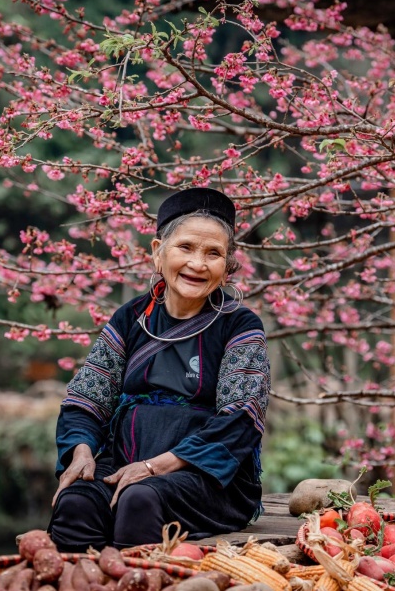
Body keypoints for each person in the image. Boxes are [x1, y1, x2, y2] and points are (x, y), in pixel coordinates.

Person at [48, 187, 270, 551]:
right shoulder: (130, 318)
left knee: (139, 500)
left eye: (213, 253)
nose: (198, 264)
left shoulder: (240, 326)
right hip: (124, 459)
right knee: (76, 503)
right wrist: (82, 450)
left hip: (205, 476)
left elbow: (241, 418)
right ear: (158, 253)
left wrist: (154, 467)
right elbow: (88, 397)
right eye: (185, 248)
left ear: (227, 267)